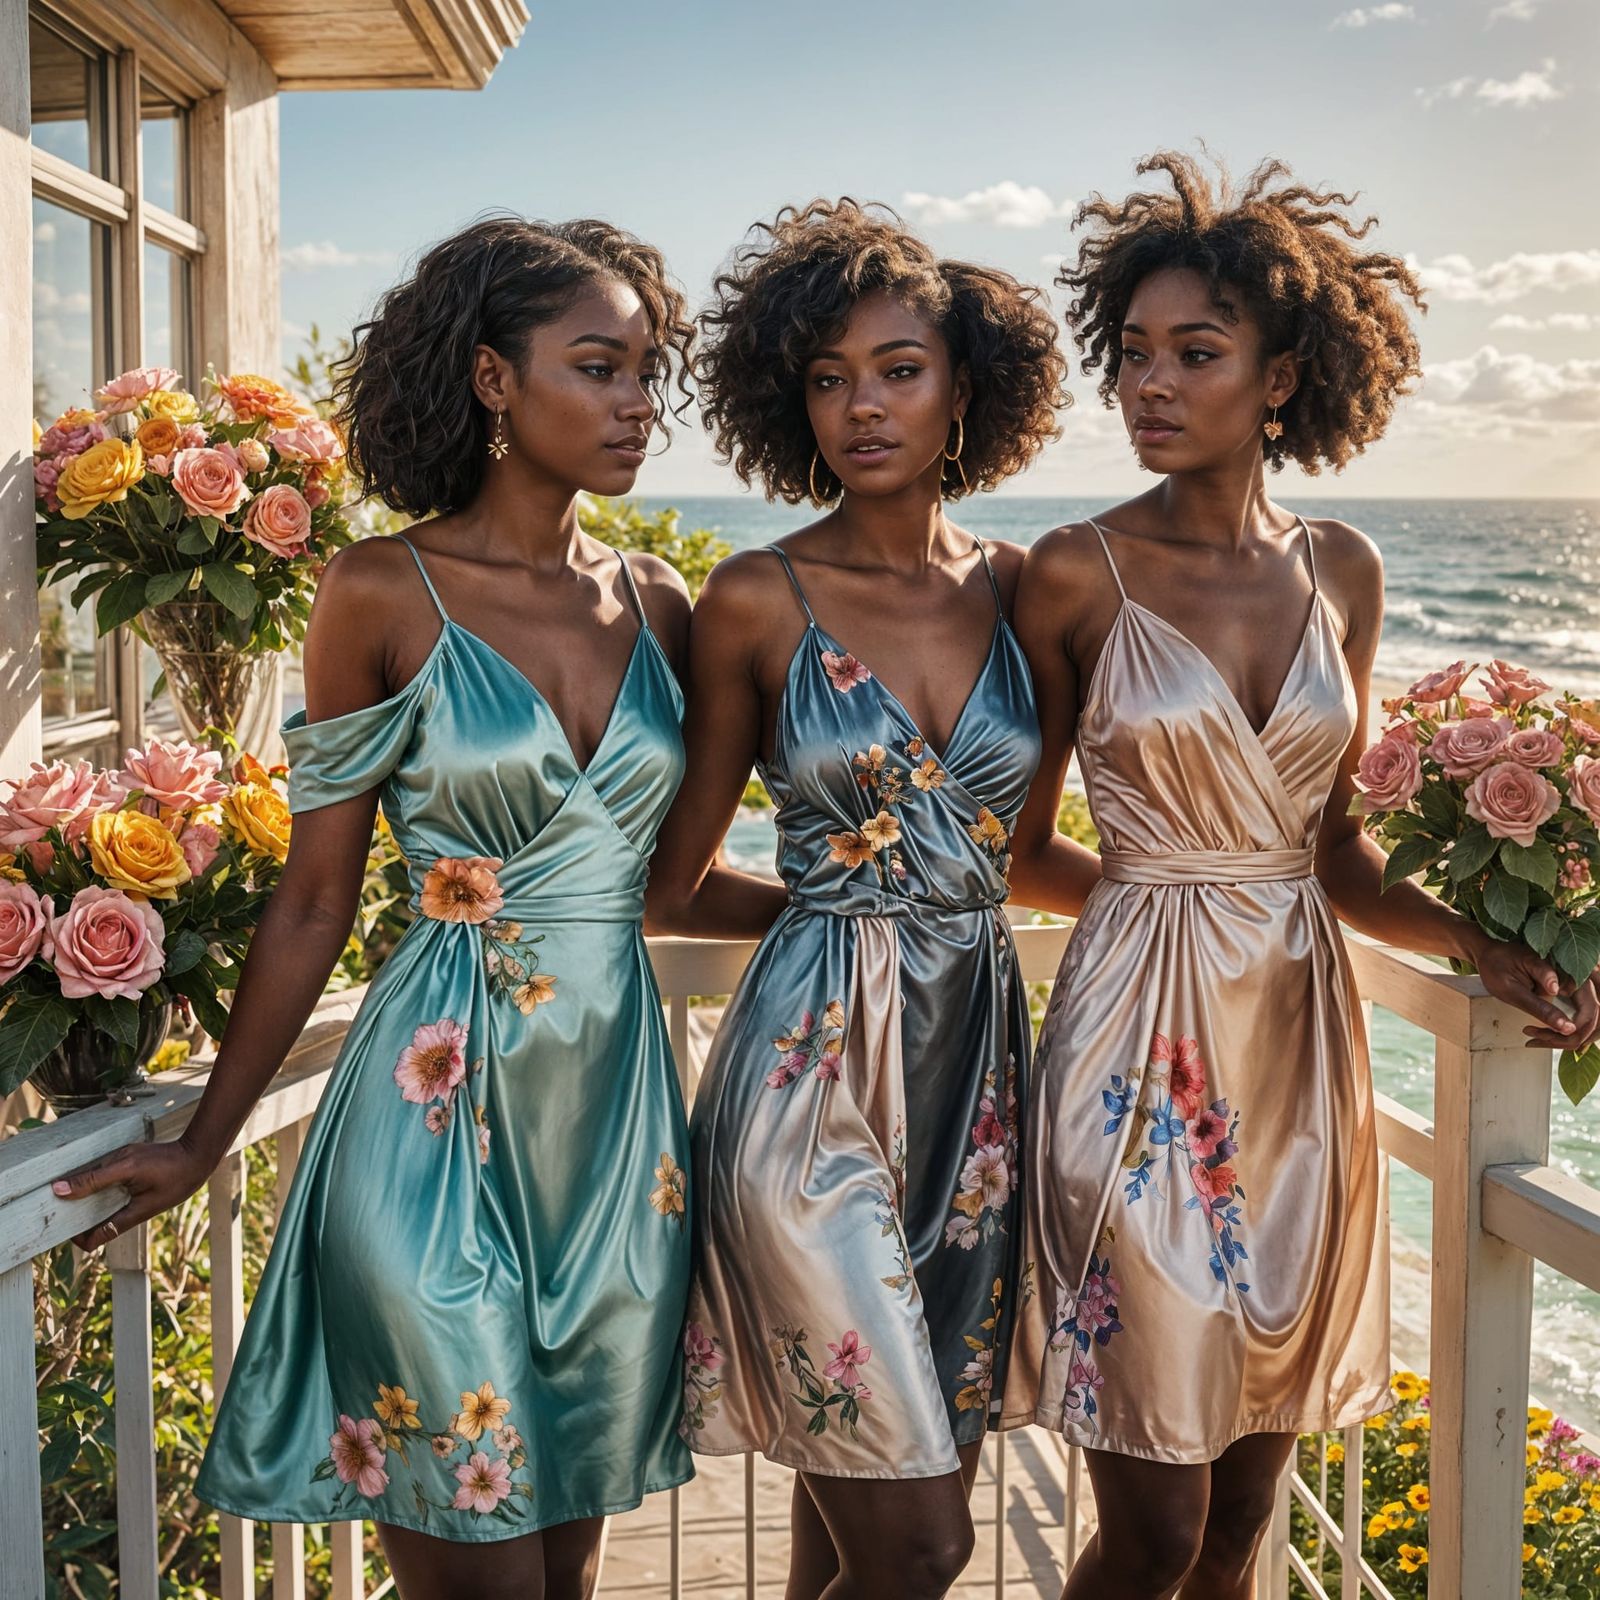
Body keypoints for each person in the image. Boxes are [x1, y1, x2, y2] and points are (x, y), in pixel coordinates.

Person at [53, 215, 699, 1600]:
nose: (637, 401)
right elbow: (313, 899)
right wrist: (207, 1138)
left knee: (568, 1575)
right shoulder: (379, 589)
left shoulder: (660, 599)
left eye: (649, 369)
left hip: (616, 1145)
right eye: (598, 365)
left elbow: (664, 880)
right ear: (492, 381)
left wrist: (890, 891)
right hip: (429, 1118)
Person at [1001, 153, 1600, 1600]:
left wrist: (1481, 943)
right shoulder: (1072, 573)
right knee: (1148, 1522)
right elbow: (1018, 853)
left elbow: (1335, 852)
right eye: (1132, 354)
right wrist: (1175, 909)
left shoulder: (1344, 567)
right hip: (1131, 1060)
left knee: (1238, 1517)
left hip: (1300, 1058)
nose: (1150, 384)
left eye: (1194, 354)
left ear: (1281, 380)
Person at [646, 198, 1088, 1600]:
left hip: (979, 1086)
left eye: (898, 370)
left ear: (967, 388)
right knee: (925, 1546)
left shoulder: (1022, 591)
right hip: (809, 1077)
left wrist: (1214, 902)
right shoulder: (757, 599)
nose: (861, 407)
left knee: (859, 1512)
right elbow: (674, 873)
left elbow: (1017, 852)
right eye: (828, 379)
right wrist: (825, 919)